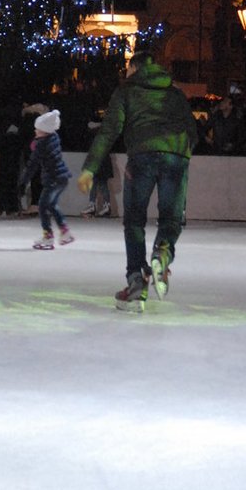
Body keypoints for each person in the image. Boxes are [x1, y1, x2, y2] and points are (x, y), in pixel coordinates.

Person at [77, 42, 198, 313]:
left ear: (134, 68)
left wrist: (90, 167)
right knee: (171, 218)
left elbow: (109, 130)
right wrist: (181, 154)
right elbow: (193, 130)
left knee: (134, 221)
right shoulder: (175, 94)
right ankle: (163, 254)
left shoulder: (126, 91)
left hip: (142, 156)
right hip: (176, 156)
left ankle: (135, 285)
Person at [20, 108, 74, 250]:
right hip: (62, 178)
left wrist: (23, 182)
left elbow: (32, 165)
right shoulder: (53, 138)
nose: (35, 131)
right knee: (51, 205)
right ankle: (65, 231)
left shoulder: (42, 145)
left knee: (43, 207)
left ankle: (48, 236)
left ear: (44, 131)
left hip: (53, 179)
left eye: (37, 129)